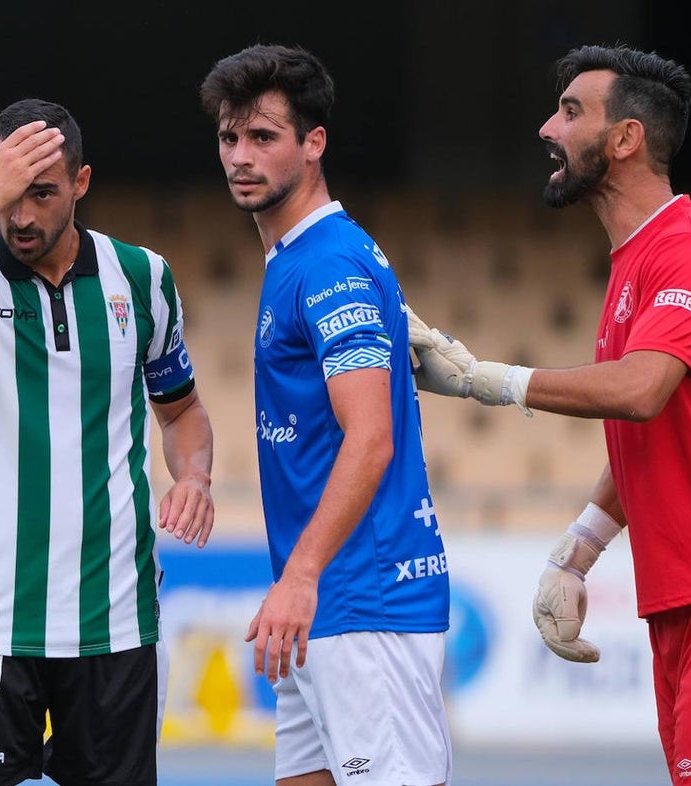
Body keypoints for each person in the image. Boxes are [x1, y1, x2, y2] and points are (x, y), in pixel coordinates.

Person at [409, 44, 691, 785]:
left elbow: (639, 391)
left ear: (626, 138)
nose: (547, 128)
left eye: (570, 111)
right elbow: (657, 432)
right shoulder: (637, 260)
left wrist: (484, 381)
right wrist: (577, 551)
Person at [0, 98, 215, 786]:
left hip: (115, 621)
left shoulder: (142, 277)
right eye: (8, 194)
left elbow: (182, 410)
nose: (21, 216)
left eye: (41, 193)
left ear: (81, 182)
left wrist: (194, 476)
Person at [199, 44, 452, 786]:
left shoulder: (328, 263)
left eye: (263, 136)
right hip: (320, 604)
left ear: (314, 143)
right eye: (229, 137)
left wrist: (302, 575)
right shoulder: (296, 258)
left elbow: (370, 440)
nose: (240, 157)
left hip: (361, 596)